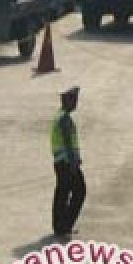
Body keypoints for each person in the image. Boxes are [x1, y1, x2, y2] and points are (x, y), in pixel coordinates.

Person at [51, 86, 85, 239]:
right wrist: (74, 162)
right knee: (79, 191)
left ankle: (60, 226)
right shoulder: (64, 119)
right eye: (74, 99)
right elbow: (67, 143)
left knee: (62, 193)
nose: (76, 103)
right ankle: (65, 225)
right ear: (68, 101)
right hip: (66, 162)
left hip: (60, 161)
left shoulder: (59, 116)